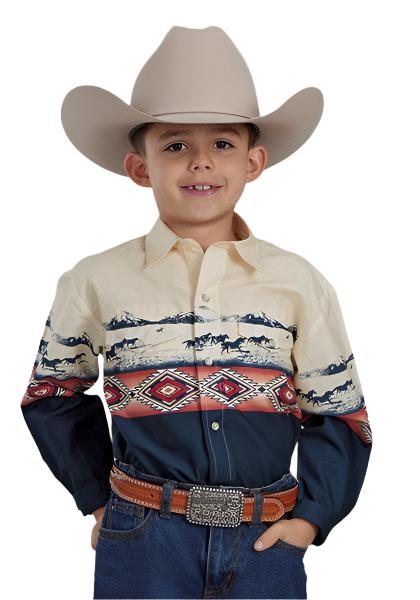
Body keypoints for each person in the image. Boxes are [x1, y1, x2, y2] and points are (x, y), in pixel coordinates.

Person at [20, 26, 373, 600]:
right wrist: (99, 498)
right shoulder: (94, 280)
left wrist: (311, 519)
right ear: (140, 167)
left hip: (265, 542)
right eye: (176, 146)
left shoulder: (298, 283)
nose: (202, 162)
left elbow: (339, 410)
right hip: (144, 539)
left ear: (254, 162)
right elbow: (52, 394)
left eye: (224, 144)